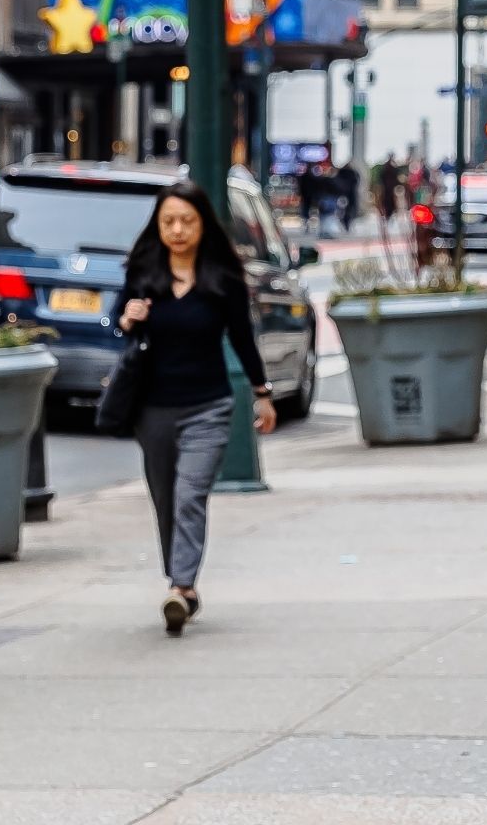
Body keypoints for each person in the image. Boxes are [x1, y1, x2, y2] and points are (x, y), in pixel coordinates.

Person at [113, 181, 276, 635]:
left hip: (208, 406)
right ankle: (179, 582)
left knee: (189, 496)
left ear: (203, 224)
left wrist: (262, 393)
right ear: (158, 226)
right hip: (153, 408)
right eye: (169, 222)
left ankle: (181, 585)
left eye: (187, 221)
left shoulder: (222, 278)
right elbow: (118, 321)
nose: (178, 230)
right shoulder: (145, 271)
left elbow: (243, 338)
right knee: (165, 499)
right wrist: (128, 318)